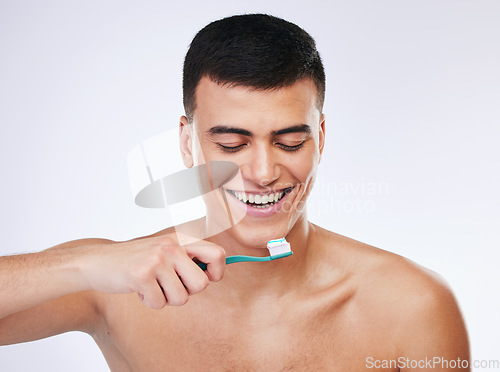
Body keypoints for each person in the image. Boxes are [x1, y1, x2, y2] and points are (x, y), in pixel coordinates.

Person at [0, 14, 469, 371]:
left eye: (290, 142)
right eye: (230, 144)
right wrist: (84, 263)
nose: (263, 172)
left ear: (321, 138)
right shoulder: (113, 289)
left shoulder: (414, 309)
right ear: (187, 143)